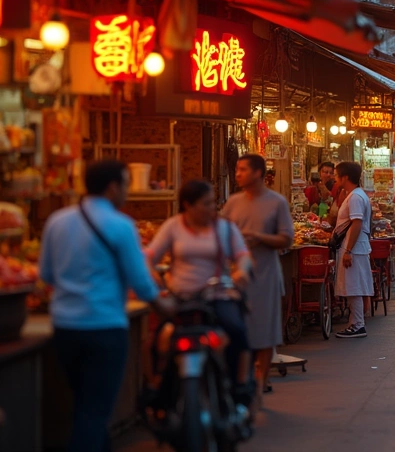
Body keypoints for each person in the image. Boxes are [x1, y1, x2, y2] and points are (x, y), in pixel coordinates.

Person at [39, 160, 171, 452]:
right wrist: (164, 307)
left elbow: (46, 275)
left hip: (64, 327)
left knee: (84, 404)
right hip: (104, 328)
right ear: (112, 187)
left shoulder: (57, 221)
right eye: (125, 184)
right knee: (94, 410)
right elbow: (141, 281)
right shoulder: (121, 225)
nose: (127, 191)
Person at [145, 180, 253, 399]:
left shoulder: (224, 228)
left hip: (217, 295)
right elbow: (148, 257)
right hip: (181, 298)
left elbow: (242, 255)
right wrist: (154, 278)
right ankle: (160, 389)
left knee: (236, 332)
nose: (212, 208)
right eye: (206, 204)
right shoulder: (173, 226)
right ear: (188, 205)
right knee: (157, 341)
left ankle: (237, 385)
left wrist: (241, 272)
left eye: (212, 203)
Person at [221, 154, 293, 400]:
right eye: (237, 169)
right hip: (238, 274)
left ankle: (262, 379)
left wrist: (259, 237)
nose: (238, 173)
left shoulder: (276, 202)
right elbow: (220, 235)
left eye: (242, 169)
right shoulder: (233, 203)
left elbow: (286, 239)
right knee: (241, 327)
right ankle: (245, 376)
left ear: (258, 173)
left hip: (266, 273)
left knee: (266, 329)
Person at [334, 161, 373, 338]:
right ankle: (355, 322)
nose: (335, 178)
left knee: (354, 286)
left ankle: (357, 324)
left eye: (337, 175)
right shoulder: (354, 195)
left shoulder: (356, 197)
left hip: (354, 247)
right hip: (355, 246)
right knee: (353, 285)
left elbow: (356, 223)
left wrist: (348, 250)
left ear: (345, 177)